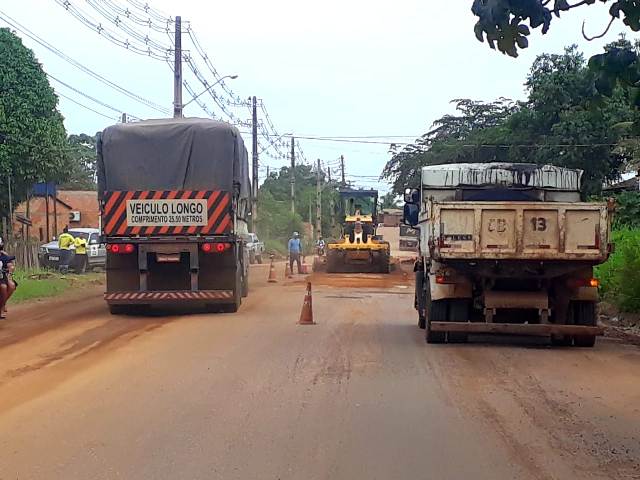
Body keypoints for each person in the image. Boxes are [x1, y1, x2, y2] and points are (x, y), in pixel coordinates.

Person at [0, 238, 17, 320]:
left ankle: (2, 305)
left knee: (10, 285)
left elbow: (10, 266)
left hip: (2, 276)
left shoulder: (4, 256)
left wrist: (10, 274)